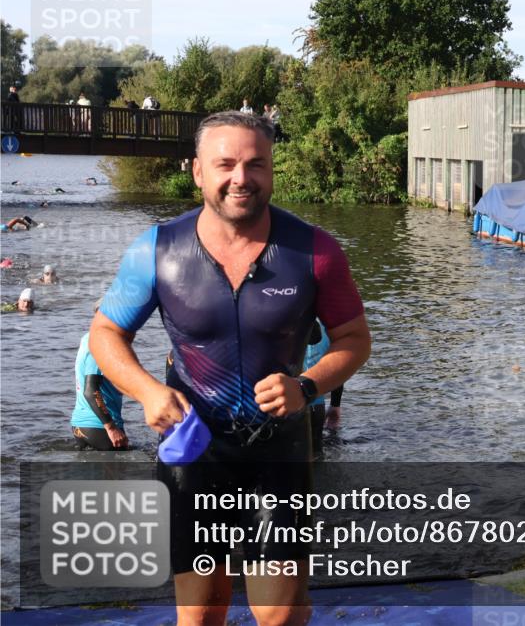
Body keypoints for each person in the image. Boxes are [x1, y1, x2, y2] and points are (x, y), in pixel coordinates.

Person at [89, 110, 371, 625]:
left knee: (280, 615)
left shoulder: (314, 251)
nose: (240, 178)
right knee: (201, 616)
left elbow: (355, 340)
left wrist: (307, 386)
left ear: (271, 170)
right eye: (225, 164)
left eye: (255, 164)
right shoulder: (157, 250)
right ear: (198, 171)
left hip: (279, 453)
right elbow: (106, 334)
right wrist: (148, 392)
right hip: (193, 450)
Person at [72, 303, 129, 450]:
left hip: (80, 424)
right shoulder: (102, 343)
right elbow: (91, 391)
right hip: (99, 426)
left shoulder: (87, 338)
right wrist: (111, 428)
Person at [303, 321, 346, 454]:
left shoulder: (281, 318)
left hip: (284, 401)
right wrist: (335, 405)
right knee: (316, 459)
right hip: (316, 406)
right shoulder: (330, 324)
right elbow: (337, 367)